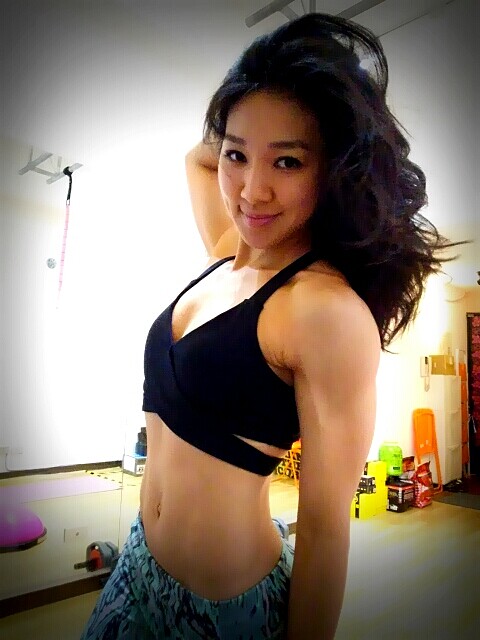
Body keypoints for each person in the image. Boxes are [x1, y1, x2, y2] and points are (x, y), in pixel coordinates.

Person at [81, 12, 461, 640]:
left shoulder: (325, 311)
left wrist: (260, 124)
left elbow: (326, 532)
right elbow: (197, 159)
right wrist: (250, 94)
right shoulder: (226, 255)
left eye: (287, 161)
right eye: (238, 155)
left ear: (332, 169)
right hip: (137, 568)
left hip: (221, 611)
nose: (252, 191)